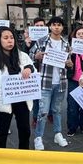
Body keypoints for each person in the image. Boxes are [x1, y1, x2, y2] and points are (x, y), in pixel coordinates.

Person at [0, 26, 34, 149]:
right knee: (1, 132)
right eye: (6, 38)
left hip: (21, 99)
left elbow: (31, 66)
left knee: (25, 130)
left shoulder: (22, 55)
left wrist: (29, 69)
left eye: (12, 38)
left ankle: (24, 153)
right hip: (2, 101)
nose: (10, 41)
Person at [29, 16, 71, 150]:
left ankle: (57, 134)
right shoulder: (42, 41)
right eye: (54, 25)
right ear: (50, 27)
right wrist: (36, 56)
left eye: (59, 25)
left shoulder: (66, 43)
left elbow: (69, 61)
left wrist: (69, 64)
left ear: (62, 27)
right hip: (45, 83)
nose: (57, 27)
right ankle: (38, 137)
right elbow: (29, 56)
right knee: (43, 111)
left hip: (61, 82)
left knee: (57, 110)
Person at [66, 26, 83, 136]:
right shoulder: (70, 50)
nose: (81, 35)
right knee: (72, 106)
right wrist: (68, 62)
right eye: (78, 34)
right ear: (75, 36)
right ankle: (72, 127)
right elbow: (64, 64)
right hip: (73, 81)